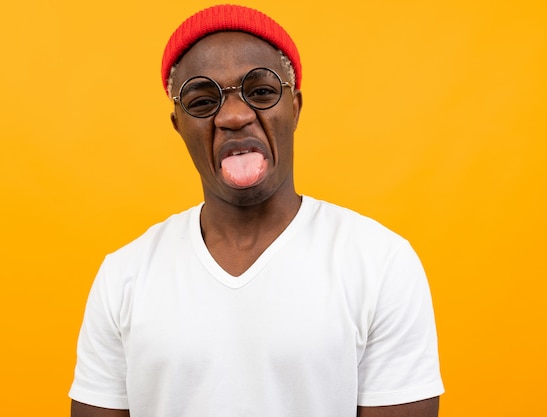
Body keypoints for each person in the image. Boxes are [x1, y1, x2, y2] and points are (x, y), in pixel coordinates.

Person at [69, 4, 444, 417]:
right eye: (202, 100)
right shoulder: (124, 275)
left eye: (261, 91)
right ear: (178, 124)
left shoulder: (380, 263)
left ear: (295, 107)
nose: (234, 115)